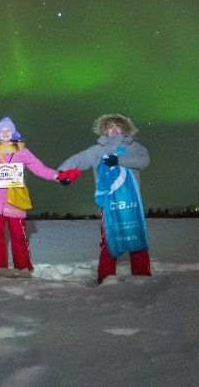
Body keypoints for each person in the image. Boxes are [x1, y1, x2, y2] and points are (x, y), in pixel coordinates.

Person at [56, 113, 152, 281]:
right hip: (108, 203)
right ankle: (106, 277)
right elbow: (79, 159)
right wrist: (62, 171)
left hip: (131, 202)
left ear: (124, 129)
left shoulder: (134, 147)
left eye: (118, 126)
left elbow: (144, 161)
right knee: (108, 238)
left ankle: (142, 276)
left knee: (135, 236)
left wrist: (118, 160)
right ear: (104, 131)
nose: (114, 129)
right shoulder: (97, 150)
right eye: (110, 127)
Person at [0, 117, 65, 277]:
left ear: (13, 132)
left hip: (15, 201)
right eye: (1, 131)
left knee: (19, 236)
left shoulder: (23, 152)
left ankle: (23, 270)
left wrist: (56, 176)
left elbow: (39, 168)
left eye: (7, 130)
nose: (4, 133)